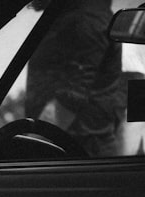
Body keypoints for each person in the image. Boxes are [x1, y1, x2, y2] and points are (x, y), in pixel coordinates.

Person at [26, 0, 122, 157]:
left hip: (77, 154)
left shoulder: (84, 18)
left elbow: (70, 97)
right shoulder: (75, 15)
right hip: (71, 150)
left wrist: (31, 152)